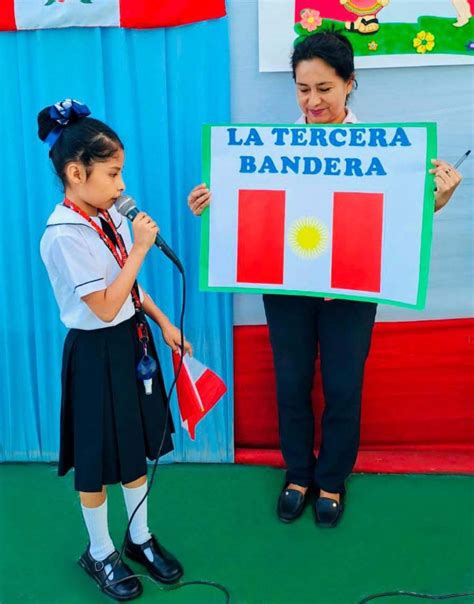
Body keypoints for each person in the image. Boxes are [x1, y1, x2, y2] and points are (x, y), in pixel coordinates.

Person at [187, 31, 462, 528]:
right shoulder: (267, 150)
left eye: (325, 88)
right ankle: (298, 473)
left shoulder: (389, 154)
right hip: (287, 289)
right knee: (290, 383)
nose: (312, 100)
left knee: (342, 386)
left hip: (351, 292)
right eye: (302, 88)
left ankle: (332, 479)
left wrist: (435, 202)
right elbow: (255, 220)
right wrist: (215, 208)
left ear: (350, 84)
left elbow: (399, 223)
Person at [39, 99, 192, 600]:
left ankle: (140, 537)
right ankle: (100, 550)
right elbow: (103, 306)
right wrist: (143, 249)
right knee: (96, 458)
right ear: (76, 172)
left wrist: (164, 321)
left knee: (133, 447)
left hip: (132, 341)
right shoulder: (63, 234)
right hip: (94, 352)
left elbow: (126, 290)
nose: (122, 185)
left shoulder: (109, 218)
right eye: (113, 173)